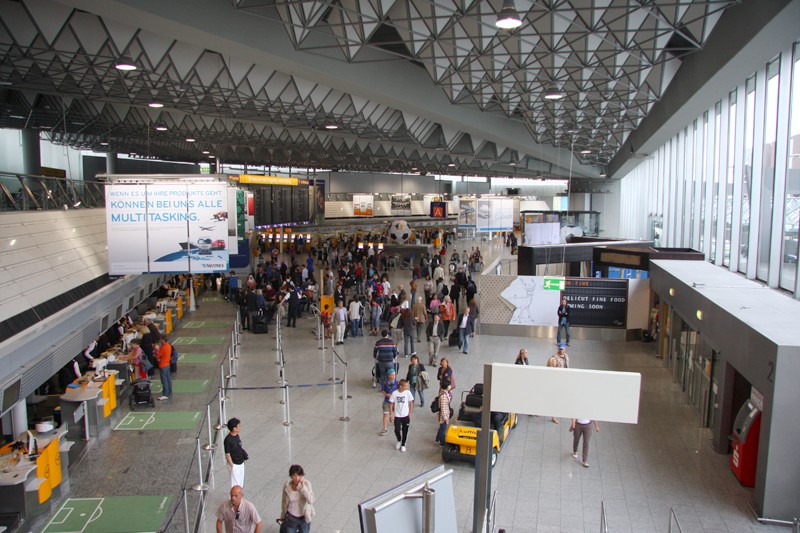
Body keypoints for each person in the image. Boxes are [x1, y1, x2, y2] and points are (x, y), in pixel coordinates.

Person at [280, 464, 315, 533]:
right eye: (294, 476)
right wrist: (282, 515)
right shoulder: (287, 484)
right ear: (291, 476)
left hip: (303, 517)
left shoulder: (307, 484)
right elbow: (284, 501)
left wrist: (303, 487)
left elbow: (311, 500)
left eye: (299, 476)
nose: (297, 478)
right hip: (291, 517)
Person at [546, 344, 570, 423]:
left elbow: (567, 366)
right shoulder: (554, 357)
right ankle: (554, 416)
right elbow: (551, 367)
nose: (561, 350)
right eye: (560, 349)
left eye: (562, 349)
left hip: (563, 379)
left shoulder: (566, 356)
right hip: (555, 380)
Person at [389, 379, 414, 452]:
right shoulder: (394, 393)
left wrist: (410, 413)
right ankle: (399, 440)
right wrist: (391, 414)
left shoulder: (408, 393)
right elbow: (391, 404)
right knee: (397, 430)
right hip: (397, 415)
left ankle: (403, 444)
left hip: (405, 415)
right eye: (405, 385)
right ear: (400, 386)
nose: (407, 387)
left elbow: (411, 403)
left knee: (405, 430)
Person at [224, 417, 249, 488]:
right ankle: (234, 497)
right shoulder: (228, 440)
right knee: (235, 483)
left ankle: (239, 495)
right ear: (234, 428)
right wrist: (232, 465)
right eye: (238, 426)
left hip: (240, 462)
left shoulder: (236, 436)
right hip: (235, 463)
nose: (240, 427)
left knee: (240, 481)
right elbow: (227, 454)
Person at [379, 369, 399, 436]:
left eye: (394, 375)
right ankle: (384, 428)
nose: (393, 376)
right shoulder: (385, 383)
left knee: (397, 414)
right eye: (392, 375)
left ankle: (398, 425)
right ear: (388, 375)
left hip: (395, 402)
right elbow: (382, 390)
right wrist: (386, 394)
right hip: (387, 401)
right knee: (385, 414)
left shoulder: (397, 383)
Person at [434, 377, 452, 446]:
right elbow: (443, 408)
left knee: (441, 428)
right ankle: (442, 443)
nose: (450, 386)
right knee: (443, 430)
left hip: (443, 414)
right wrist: (445, 418)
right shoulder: (444, 396)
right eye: (449, 385)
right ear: (447, 387)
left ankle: (437, 439)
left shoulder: (444, 393)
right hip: (443, 415)